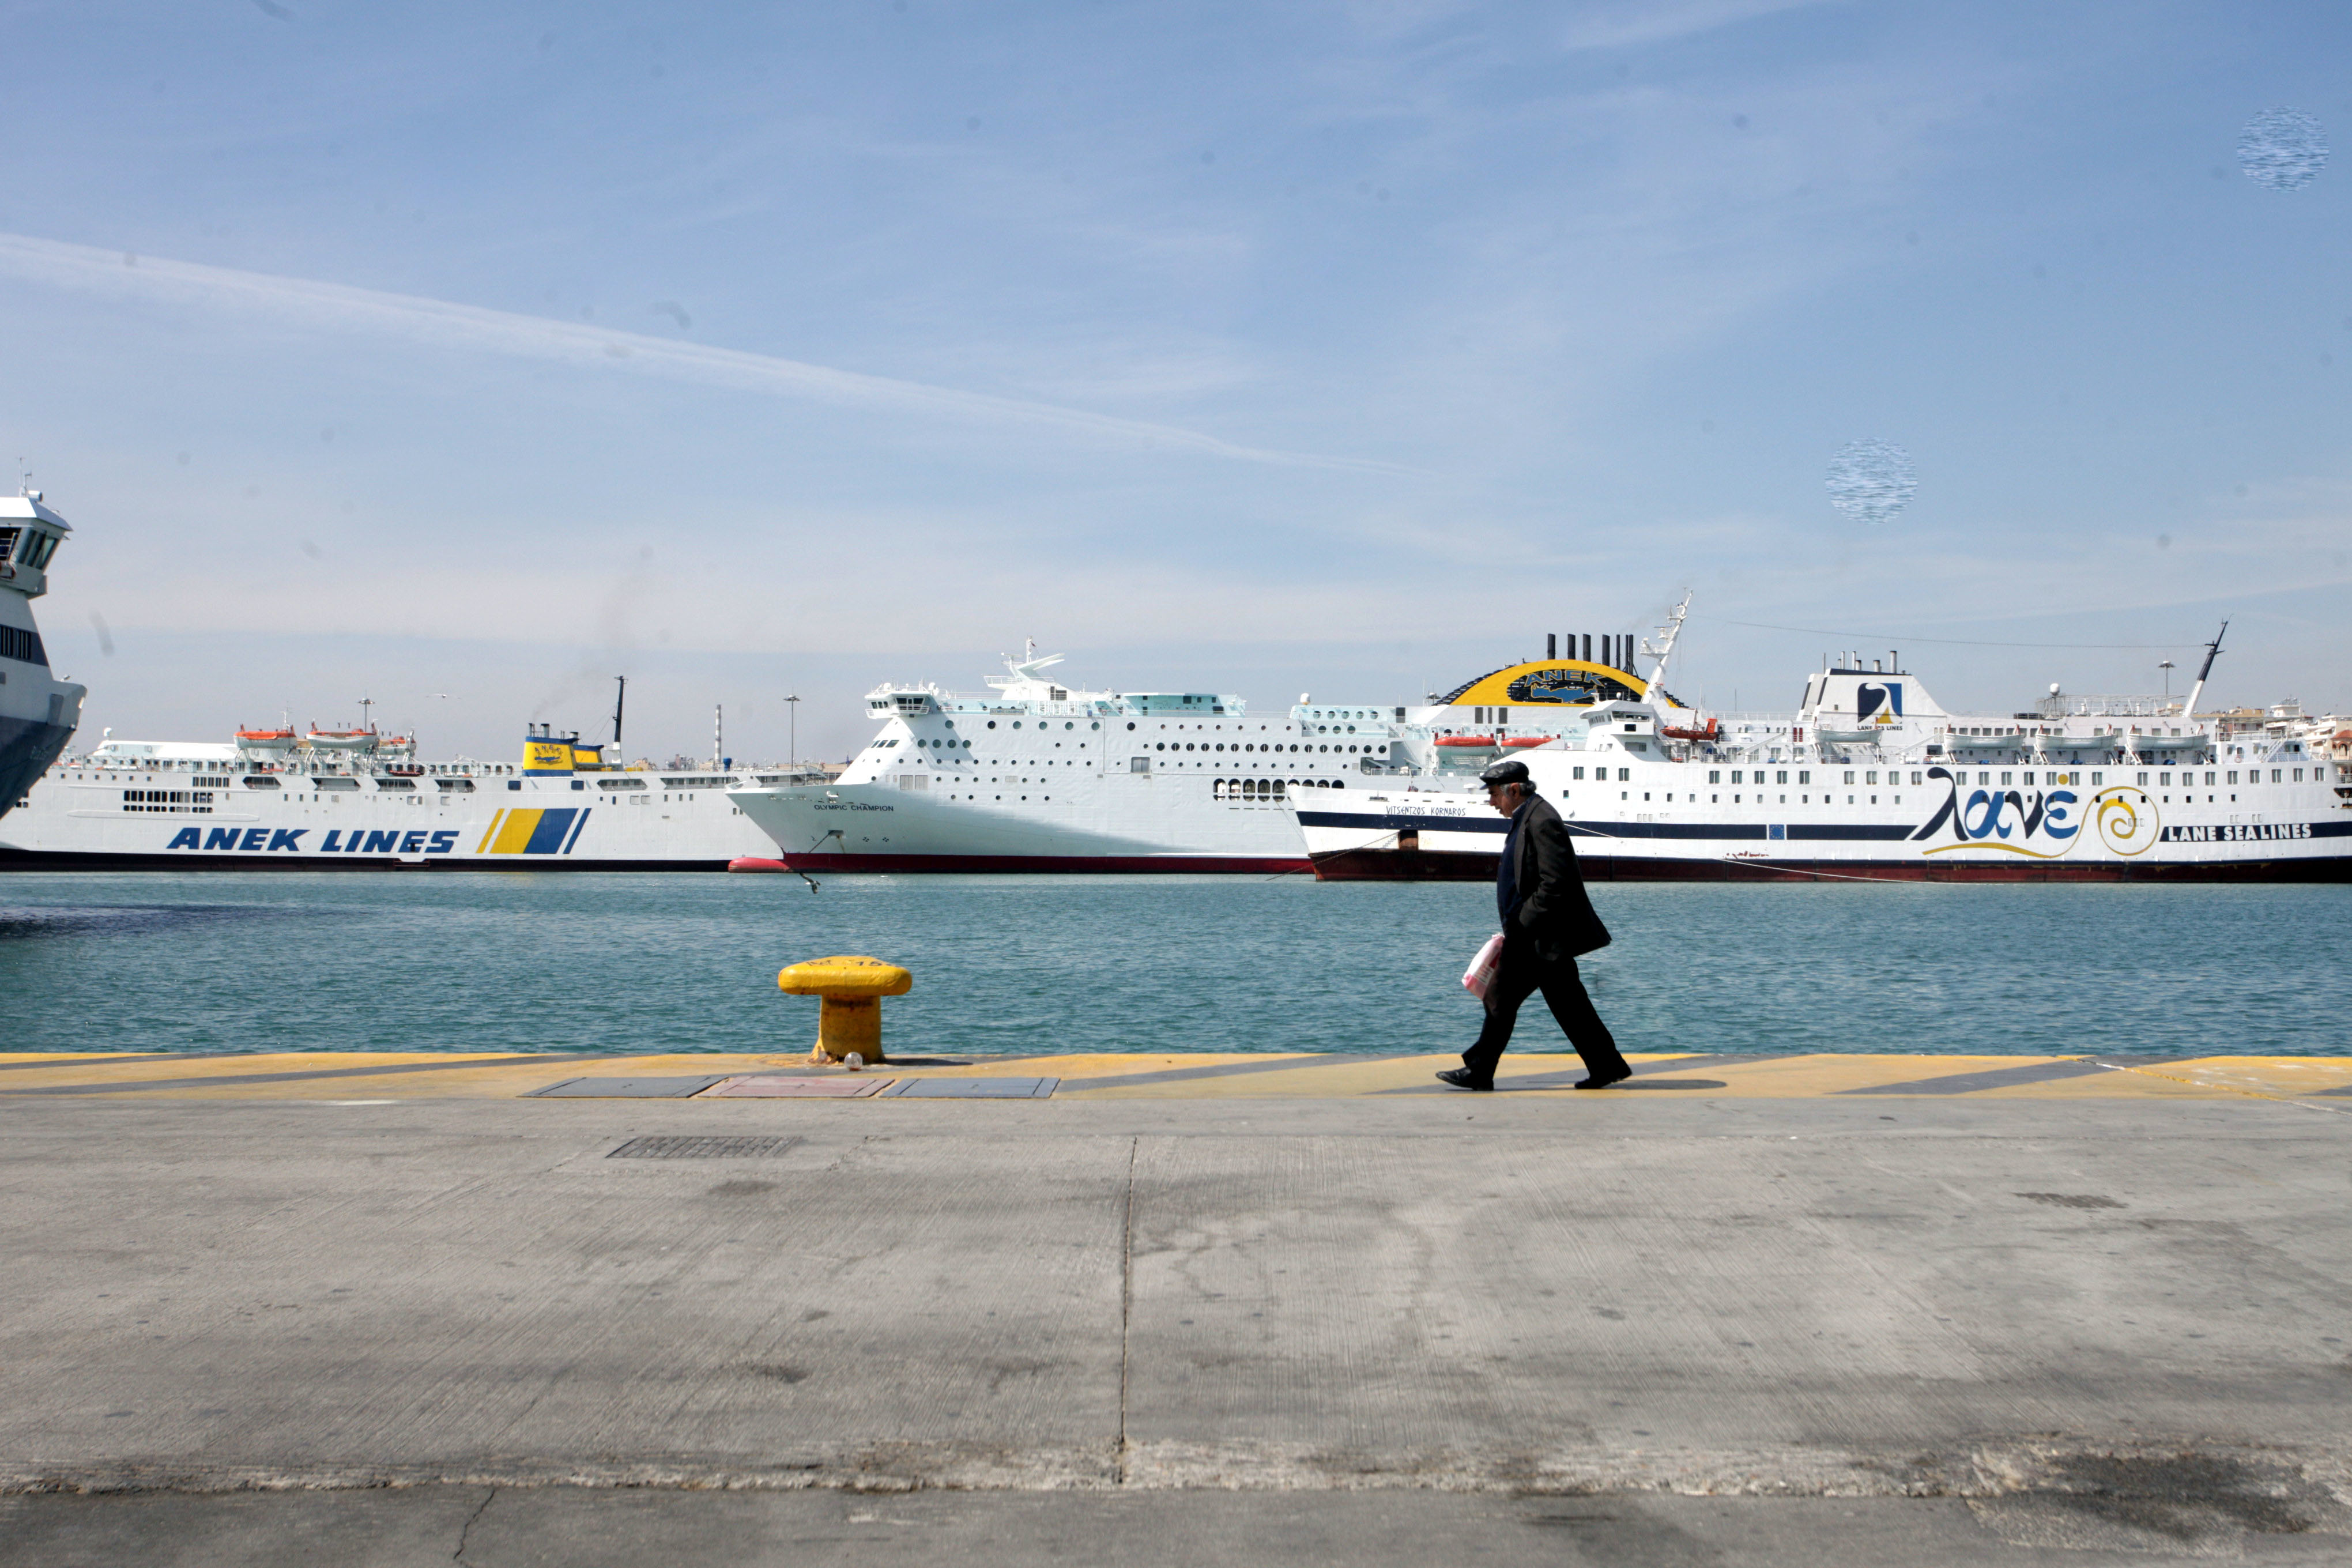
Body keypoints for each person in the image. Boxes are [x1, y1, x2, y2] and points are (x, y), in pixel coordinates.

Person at [1437, 757, 1631, 1092]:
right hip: (1534, 935)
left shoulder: (1542, 820)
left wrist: (1522, 921)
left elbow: (1556, 882)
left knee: (1503, 998)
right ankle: (1606, 1064)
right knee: (1564, 1004)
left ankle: (1481, 1071)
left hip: (1537, 936)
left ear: (1514, 790)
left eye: (1495, 793)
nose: (1491, 801)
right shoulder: (1526, 816)